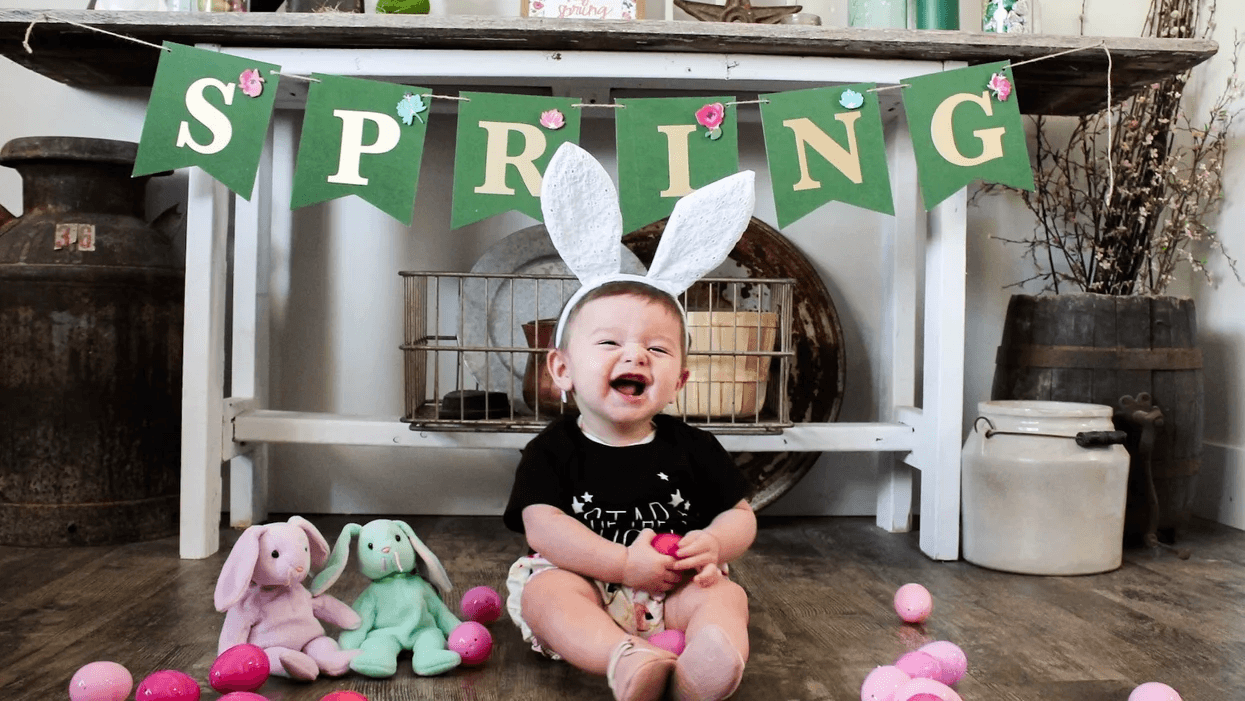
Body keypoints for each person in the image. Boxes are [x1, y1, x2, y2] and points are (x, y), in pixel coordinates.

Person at [503, 278, 757, 701]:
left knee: (725, 596)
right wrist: (621, 564)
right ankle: (625, 657)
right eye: (609, 342)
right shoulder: (550, 450)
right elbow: (542, 528)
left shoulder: (694, 448)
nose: (636, 354)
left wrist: (714, 542)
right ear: (563, 369)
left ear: (679, 380)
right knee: (546, 595)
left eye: (657, 349)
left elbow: (740, 514)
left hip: (671, 589)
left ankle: (703, 669)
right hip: (582, 580)